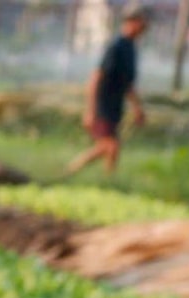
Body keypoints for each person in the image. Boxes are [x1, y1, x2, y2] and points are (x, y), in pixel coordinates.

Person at [68, 4, 148, 177]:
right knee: (110, 146)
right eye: (142, 21)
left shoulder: (131, 49)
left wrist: (137, 108)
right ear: (131, 22)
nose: (145, 27)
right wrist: (90, 111)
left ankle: (107, 181)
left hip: (115, 108)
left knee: (112, 150)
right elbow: (96, 79)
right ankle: (71, 170)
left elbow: (127, 84)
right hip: (103, 106)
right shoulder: (116, 48)